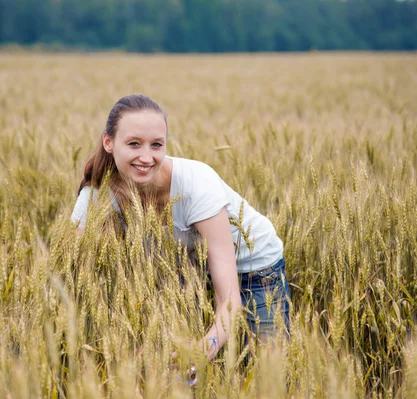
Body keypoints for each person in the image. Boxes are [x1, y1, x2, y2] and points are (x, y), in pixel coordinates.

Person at [71, 94, 291, 362]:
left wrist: (200, 351)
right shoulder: (96, 197)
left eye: (156, 145)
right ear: (108, 142)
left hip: (255, 269)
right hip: (184, 268)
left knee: (267, 369)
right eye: (133, 144)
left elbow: (230, 302)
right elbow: (77, 275)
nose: (146, 157)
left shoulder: (196, 185)